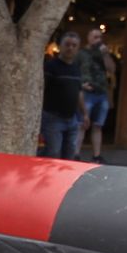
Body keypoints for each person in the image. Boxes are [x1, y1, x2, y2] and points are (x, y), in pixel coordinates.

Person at [40, 30, 90, 160]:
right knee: (53, 152)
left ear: (78, 49)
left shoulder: (76, 68)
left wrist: (85, 114)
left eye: (74, 45)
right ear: (60, 46)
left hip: (71, 118)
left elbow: (78, 92)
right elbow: (41, 89)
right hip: (52, 117)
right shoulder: (51, 66)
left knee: (70, 154)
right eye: (67, 44)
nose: (70, 48)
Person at [78, 27, 116, 163]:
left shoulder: (103, 53)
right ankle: (75, 154)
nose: (97, 39)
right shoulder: (81, 53)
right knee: (82, 124)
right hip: (87, 92)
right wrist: (80, 85)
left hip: (101, 92)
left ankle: (96, 155)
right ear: (88, 37)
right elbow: (73, 69)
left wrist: (106, 54)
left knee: (98, 125)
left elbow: (112, 69)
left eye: (99, 37)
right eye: (94, 37)